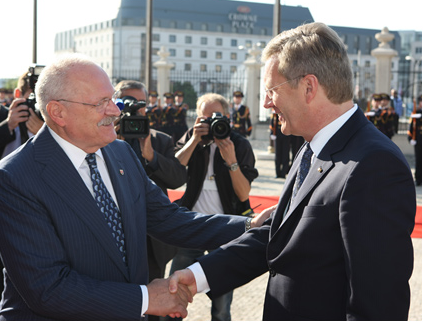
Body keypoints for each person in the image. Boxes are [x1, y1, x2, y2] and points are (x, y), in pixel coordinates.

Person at [0, 54, 269, 320]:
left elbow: (168, 219)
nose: (114, 111)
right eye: (101, 103)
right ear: (58, 112)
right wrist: (146, 298)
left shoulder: (120, 153)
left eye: (113, 99)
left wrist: (249, 225)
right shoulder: (13, 179)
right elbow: (48, 288)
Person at [169, 22, 416, 320]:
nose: (266, 102)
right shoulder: (312, 147)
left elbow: (378, 305)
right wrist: (196, 277)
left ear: (309, 87)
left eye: (272, 90)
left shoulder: (374, 165)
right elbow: (278, 236)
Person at [169, 93, 258, 320]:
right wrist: (194, 141)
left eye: (216, 116)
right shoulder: (194, 137)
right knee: (173, 290)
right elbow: (173, 173)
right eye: (205, 117)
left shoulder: (239, 144)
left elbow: (243, 193)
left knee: (221, 302)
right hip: (191, 224)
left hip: (224, 228)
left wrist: (231, 160)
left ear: (227, 117)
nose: (211, 122)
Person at [0, 69, 44, 320]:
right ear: (18, 95)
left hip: (16, 223)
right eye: (31, 98)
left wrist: (46, 134)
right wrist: (9, 125)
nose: (36, 105)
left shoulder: (55, 128)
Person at [114, 80, 187, 320]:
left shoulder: (161, 140)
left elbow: (177, 179)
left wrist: (150, 154)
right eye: (128, 102)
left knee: (155, 306)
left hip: (152, 242)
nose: (135, 109)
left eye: (140, 104)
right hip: (115, 238)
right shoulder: (102, 138)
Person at [270, 112, 290, 178]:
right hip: (277, 136)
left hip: (286, 136)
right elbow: (272, 124)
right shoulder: (275, 114)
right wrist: (272, 133)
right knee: (277, 155)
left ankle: (283, 173)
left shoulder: (287, 112)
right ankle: (278, 173)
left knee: (285, 155)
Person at [408, 95, 422, 186]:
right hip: (419, 141)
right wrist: (410, 138)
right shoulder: (416, 112)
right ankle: (418, 178)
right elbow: (411, 126)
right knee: (419, 160)